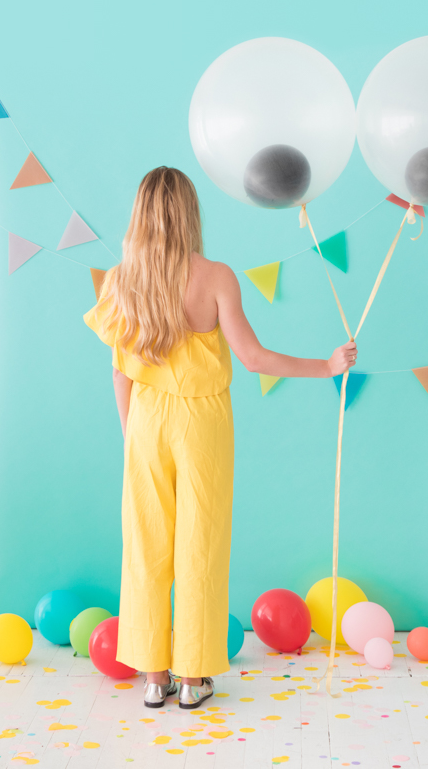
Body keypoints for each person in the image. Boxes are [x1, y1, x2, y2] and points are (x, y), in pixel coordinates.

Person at [83, 166, 357, 710]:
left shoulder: (119, 280)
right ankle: (192, 679)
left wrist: (132, 439)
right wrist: (326, 367)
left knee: (145, 546)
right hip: (202, 422)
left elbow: (120, 373)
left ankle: (154, 678)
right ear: (189, 212)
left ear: (139, 213)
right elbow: (255, 358)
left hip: (144, 419)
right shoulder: (216, 277)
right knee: (200, 545)